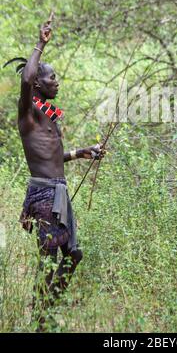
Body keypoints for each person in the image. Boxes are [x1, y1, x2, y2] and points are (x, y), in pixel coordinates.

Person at [11, 19, 105, 328]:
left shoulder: (49, 117)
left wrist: (81, 152)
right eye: (52, 77)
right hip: (45, 194)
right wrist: (41, 43)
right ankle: (40, 321)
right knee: (49, 261)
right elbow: (25, 82)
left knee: (73, 255)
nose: (57, 81)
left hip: (59, 192)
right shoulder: (28, 114)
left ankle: (46, 312)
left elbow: (52, 156)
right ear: (38, 82)